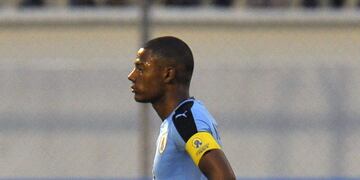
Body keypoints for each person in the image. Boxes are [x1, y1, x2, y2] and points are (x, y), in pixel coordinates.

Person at [128, 36, 236, 179]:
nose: (132, 76)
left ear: (168, 74)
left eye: (141, 69)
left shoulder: (185, 120)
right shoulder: (175, 121)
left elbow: (224, 177)